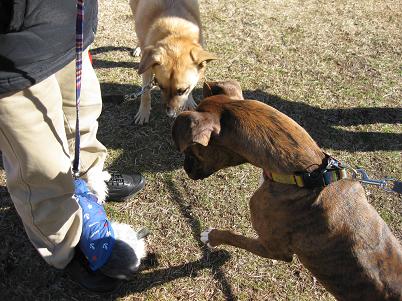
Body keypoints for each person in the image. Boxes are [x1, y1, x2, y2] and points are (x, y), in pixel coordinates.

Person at [0, 0, 144, 292]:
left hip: (67, 24)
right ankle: (64, 246)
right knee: (40, 162)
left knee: (83, 112)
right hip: (10, 44)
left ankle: (90, 182)